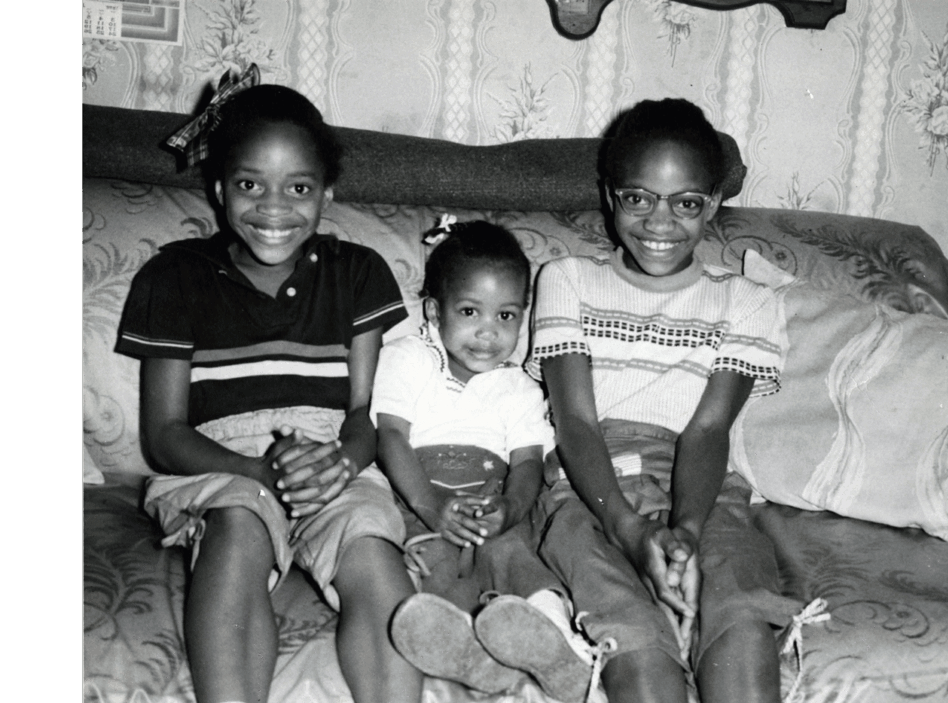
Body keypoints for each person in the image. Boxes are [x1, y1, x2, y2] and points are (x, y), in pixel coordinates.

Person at [115, 68, 422, 703]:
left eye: (299, 187)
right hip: (221, 462)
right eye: (251, 184)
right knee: (236, 527)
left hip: (330, 460)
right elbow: (165, 434)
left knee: (371, 546)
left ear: (327, 194)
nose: (274, 209)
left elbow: (363, 412)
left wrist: (341, 465)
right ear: (221, 188)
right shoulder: (174, 276)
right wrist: (256, 471)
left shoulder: (358, 273)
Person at [528, 98, 806, 703]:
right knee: (627, 625)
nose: (660, 222)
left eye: (685, 203)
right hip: (589, 481)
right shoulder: (567, 279)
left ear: (710, 205)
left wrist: (684, 532)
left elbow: (708, 430)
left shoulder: (748, 301)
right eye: (638, 198)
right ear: (609, 196)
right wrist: (629, 531)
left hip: (705, 488)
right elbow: (576, 422)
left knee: (737, 606)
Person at [374, 220, 612, 703]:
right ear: (433, 311)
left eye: (506, 316)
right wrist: (429, 504)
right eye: (469, 312)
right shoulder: (406, 358)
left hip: (492, 499)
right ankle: (472, 655)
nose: (488, 332)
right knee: (434, 565)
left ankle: (557, 644)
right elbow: (391, 438)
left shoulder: (519, 388)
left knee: (514, 555)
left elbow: (527, 463)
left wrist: (514, 507)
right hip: (423, 497)